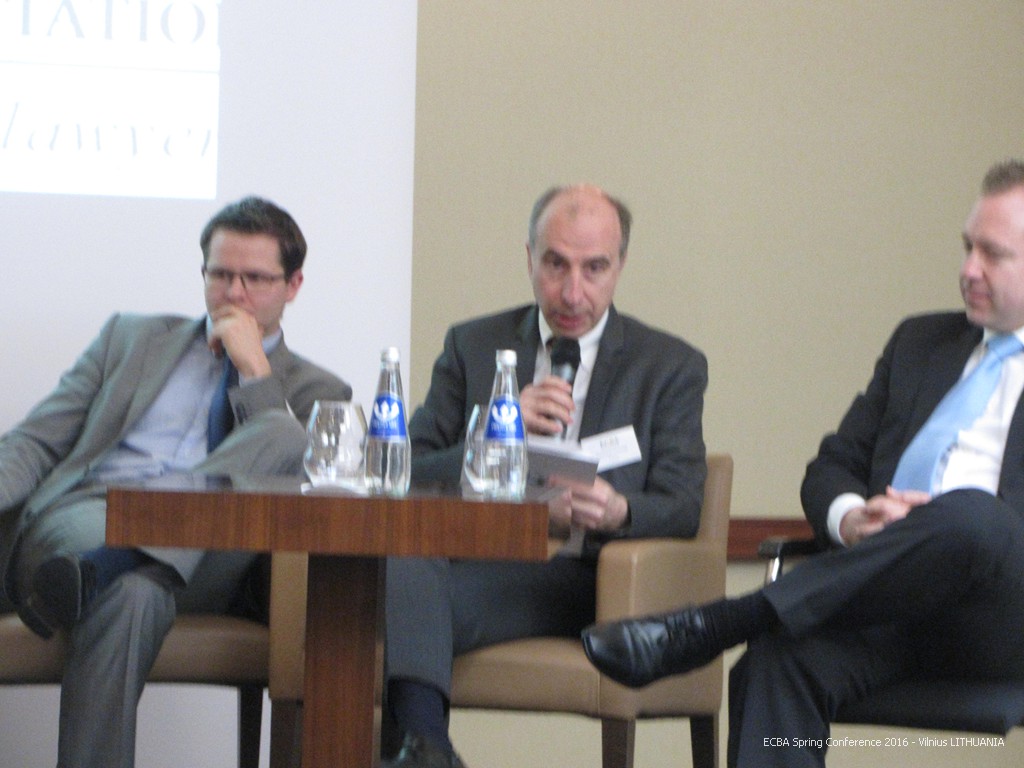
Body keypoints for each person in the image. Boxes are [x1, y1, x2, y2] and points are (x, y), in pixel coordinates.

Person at [581, 159, 1024, 767]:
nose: (968, 269)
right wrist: (852, 518)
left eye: (992, 254)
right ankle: (745, 627)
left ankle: (721, 622)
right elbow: (832, 467)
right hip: (883, 605)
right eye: (967, 247)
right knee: (777, 661)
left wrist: (939, 523)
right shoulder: (921, 344)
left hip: (998, 621)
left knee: (976, 517)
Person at [0, 196, 351, 768]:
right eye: (221, 274)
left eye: (255, 279)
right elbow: (36, 440)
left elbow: (299, 495)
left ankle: (111, 563)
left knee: (285, 435)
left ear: (293, 285)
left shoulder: (320, 390)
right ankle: (113, 563)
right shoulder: (132, 339)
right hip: (94, 515)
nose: (234, 293)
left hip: (212, 556)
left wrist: (255, 372)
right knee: (133, 594)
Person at [383, 183, 708, 767]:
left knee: (398, 605)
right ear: (529, 257)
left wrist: (619, 511)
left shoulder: (668, 365)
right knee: (401, 567)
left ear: (620, 266)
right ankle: (427, 748)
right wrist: (489, 435)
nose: (572, 292)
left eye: (594, 268)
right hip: (478, 558)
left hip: (586, 574)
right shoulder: (473, 345)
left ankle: (421, 750)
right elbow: (405, 474)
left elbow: (683, 503)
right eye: (556, 264)